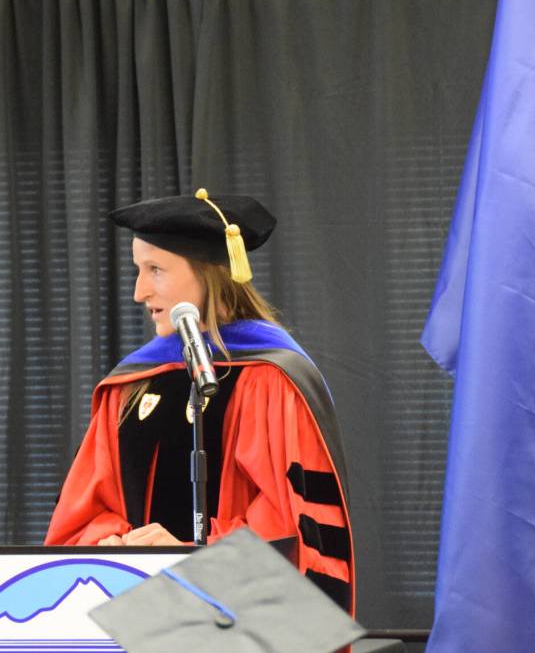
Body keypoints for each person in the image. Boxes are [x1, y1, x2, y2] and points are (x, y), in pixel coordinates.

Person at [44, 189, 354, 612]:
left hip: (234, 625)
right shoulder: (132, 384)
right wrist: (112, 545)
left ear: (209, 273)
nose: (138, 292)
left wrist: (190, 551)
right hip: (137, 616)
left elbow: (292, 527)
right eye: (138, 270)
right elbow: (84, 511)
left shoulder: (269, 378)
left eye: (155, 270)